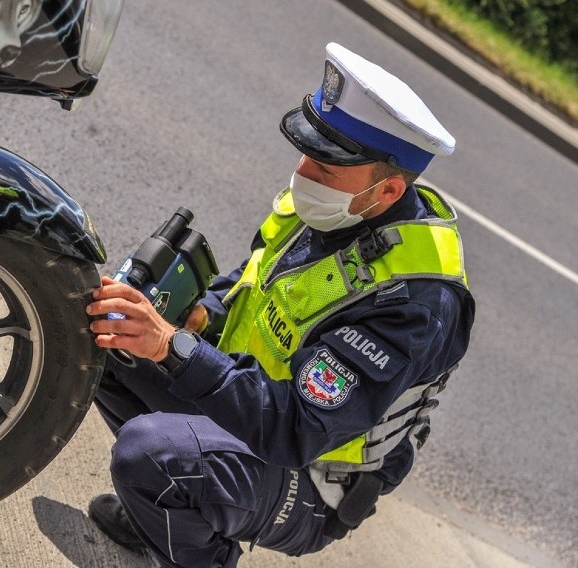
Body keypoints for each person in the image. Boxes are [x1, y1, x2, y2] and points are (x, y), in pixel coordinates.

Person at [85, 42, 475, 567]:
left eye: (327, 167)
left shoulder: (416, 301)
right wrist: (201, 315)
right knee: (109, 335)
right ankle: (170, 512)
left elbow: (297, 428)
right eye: (309, 154)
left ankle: (194, 540)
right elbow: (253, 286)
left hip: (311, 477)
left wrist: (172, 346)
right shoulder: (332, 207)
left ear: (384, 194)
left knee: (149, 456)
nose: (305, 173)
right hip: (258, 412)